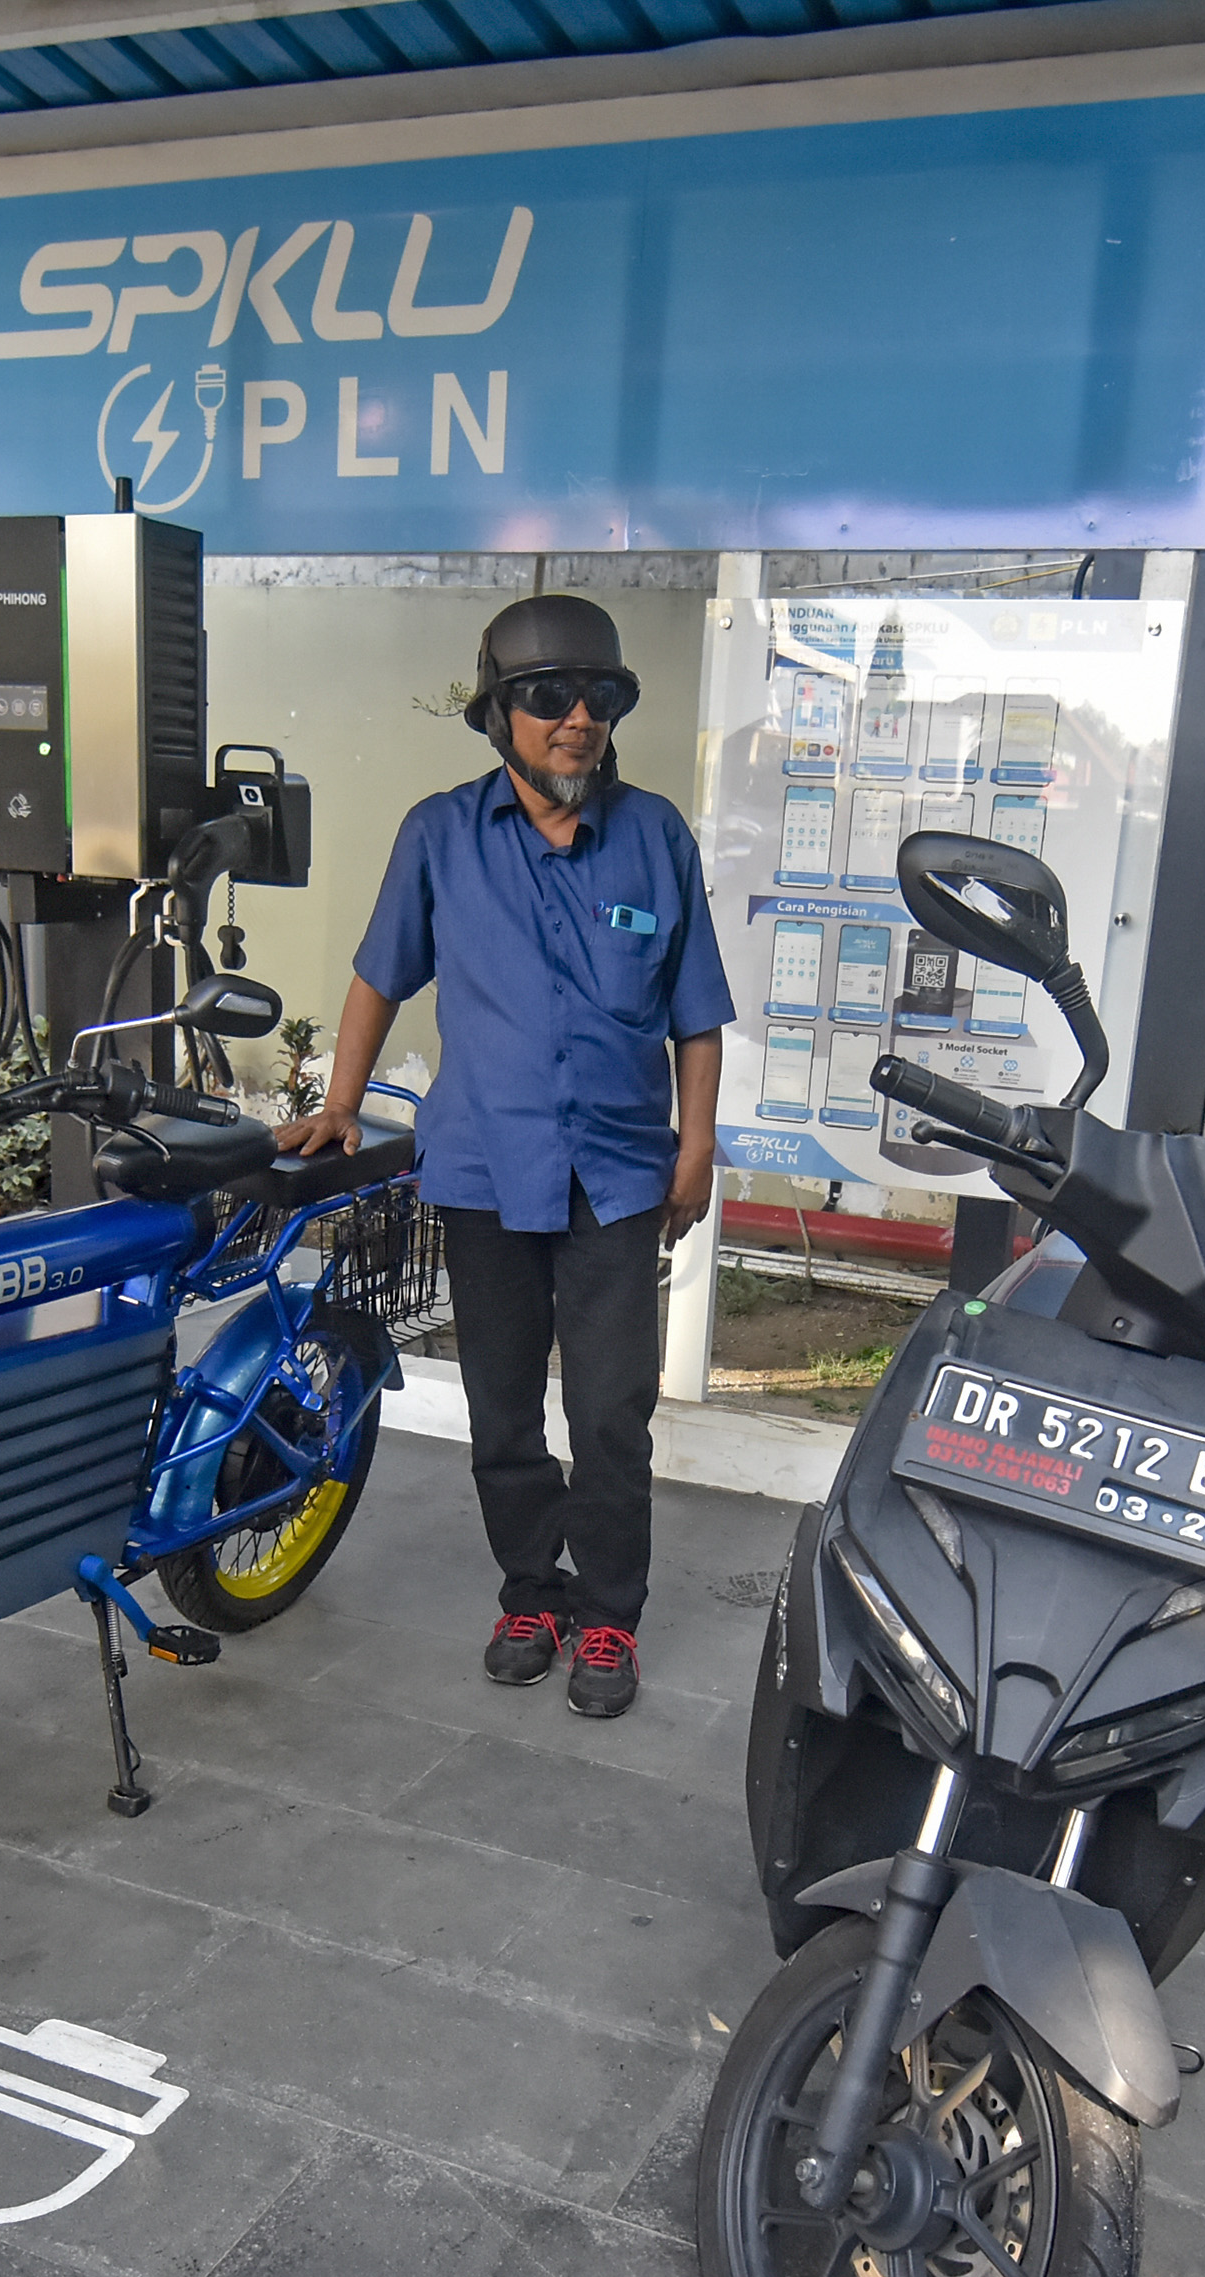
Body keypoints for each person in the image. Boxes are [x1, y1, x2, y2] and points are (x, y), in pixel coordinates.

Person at [277, 595, 731, 1719]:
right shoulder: (440, 835)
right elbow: (380, 973)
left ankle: (610, 1616)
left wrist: (698, 1147)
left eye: (600, 699)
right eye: (548, 698)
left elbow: (697, 1014)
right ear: (499, 716)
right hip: (483, 1168)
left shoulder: (655, 834)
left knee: (614, 1409)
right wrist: (340, 1102)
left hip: (621, 1174)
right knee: (500, 1406)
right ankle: (531, 1589)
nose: (578, 720)